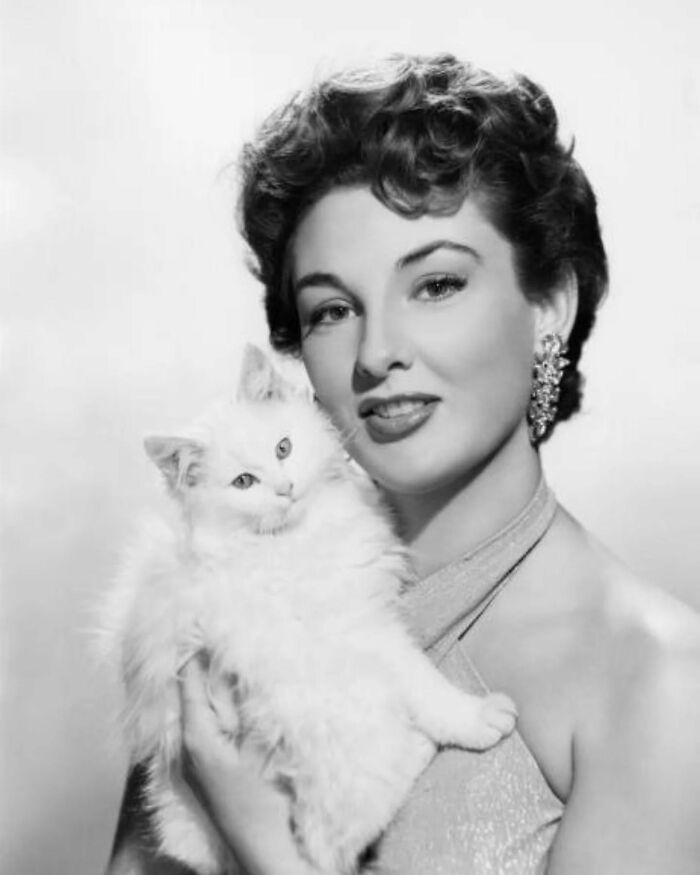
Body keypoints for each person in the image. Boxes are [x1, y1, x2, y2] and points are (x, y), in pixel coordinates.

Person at [107, 54, 700, 874]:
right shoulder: (217, 600)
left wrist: (265, 846)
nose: (378, 351)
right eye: (333, 309)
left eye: (436, 285)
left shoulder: (661, 683)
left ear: (548, 304)